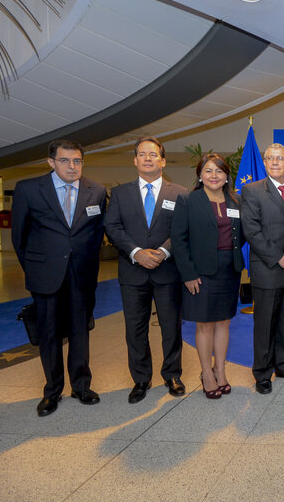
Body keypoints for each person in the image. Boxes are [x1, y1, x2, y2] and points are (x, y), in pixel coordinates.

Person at [12, 139, 107, 416]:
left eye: (77, 161)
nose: (72, 166)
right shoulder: (29, 189)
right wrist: (35, 269)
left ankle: (81, 386)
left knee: (80, 331)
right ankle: (52, 392)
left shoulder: (96, 191)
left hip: (82, 274)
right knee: (50, 334)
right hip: (46, 275)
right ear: (51, 162)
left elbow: (96, 233)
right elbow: (19, 237)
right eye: (65, 160)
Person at [105, 136, 188, 403]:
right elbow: (113, 227)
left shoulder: (180, 193)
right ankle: (141, 379)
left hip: (168, 271)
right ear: (135, 161)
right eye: (142, 154)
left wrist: (163, 251)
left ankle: (172, 374)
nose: (148, 158)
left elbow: (184, 230)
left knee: (171, 327)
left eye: (153, 154)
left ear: (162, 161)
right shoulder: (120, 194)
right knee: (135, 328)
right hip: (133, 272)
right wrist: (136, 253)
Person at [171, 153, 245, 399]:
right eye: (208, 171)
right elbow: (179, 241)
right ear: (200, 175)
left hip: (229, 269)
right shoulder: (189, 200)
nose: (214, 176)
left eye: (219, 171)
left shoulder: (235, 201)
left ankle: (220, 370)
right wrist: (188, 273)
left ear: (226, 177)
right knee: (205, 324)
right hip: (200, 272)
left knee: (224, 322)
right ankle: (207, 373)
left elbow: (241, 235)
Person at [241, 143, 284, 395]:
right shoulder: (252, 190)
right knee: (265, 323)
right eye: (270, 158)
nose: (276, 162)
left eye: (281, 158)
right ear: (265, 163)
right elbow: (252, 230)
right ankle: (262, 372)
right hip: (269, 268)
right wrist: (279, 258)